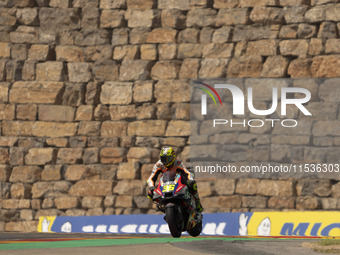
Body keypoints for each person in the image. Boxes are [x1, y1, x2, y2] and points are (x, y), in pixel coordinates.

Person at [147, 146, 203, 213]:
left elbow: (187, 173)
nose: (165, 161)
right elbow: (151, 178)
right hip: (165, 183)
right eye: (163, 158)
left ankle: (197, 204)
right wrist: (151, 187)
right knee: (150, 193)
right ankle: (162, 205)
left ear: (173, 157)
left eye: (168, 158)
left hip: (178, 182)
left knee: (193, 185)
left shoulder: (178, 163)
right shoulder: (158, 164)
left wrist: (190, 180)